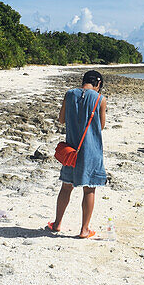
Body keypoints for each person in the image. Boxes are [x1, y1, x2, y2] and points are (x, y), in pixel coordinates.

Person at [48, 70, 107, 239]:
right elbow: (101, 126)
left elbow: (61, 119)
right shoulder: (100, 99)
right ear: (98, 84)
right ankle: (84, 229)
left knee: (66, 187)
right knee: (89, 189)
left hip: (71, 150)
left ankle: (57, 223)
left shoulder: (69, 94)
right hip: (92, 150)